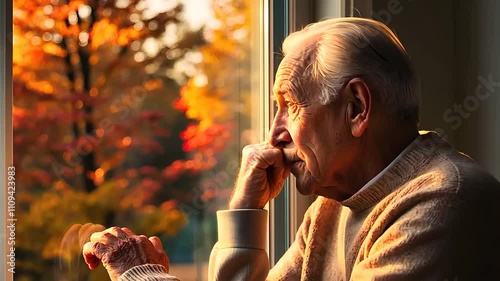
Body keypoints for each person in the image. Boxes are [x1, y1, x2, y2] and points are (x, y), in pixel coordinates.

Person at [82, 17, 500, 281]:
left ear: (356, 108)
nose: (272, 135)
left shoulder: (445, 202)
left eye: (289, 106)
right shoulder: (332, 205)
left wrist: (141, 275)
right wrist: (246, 213)